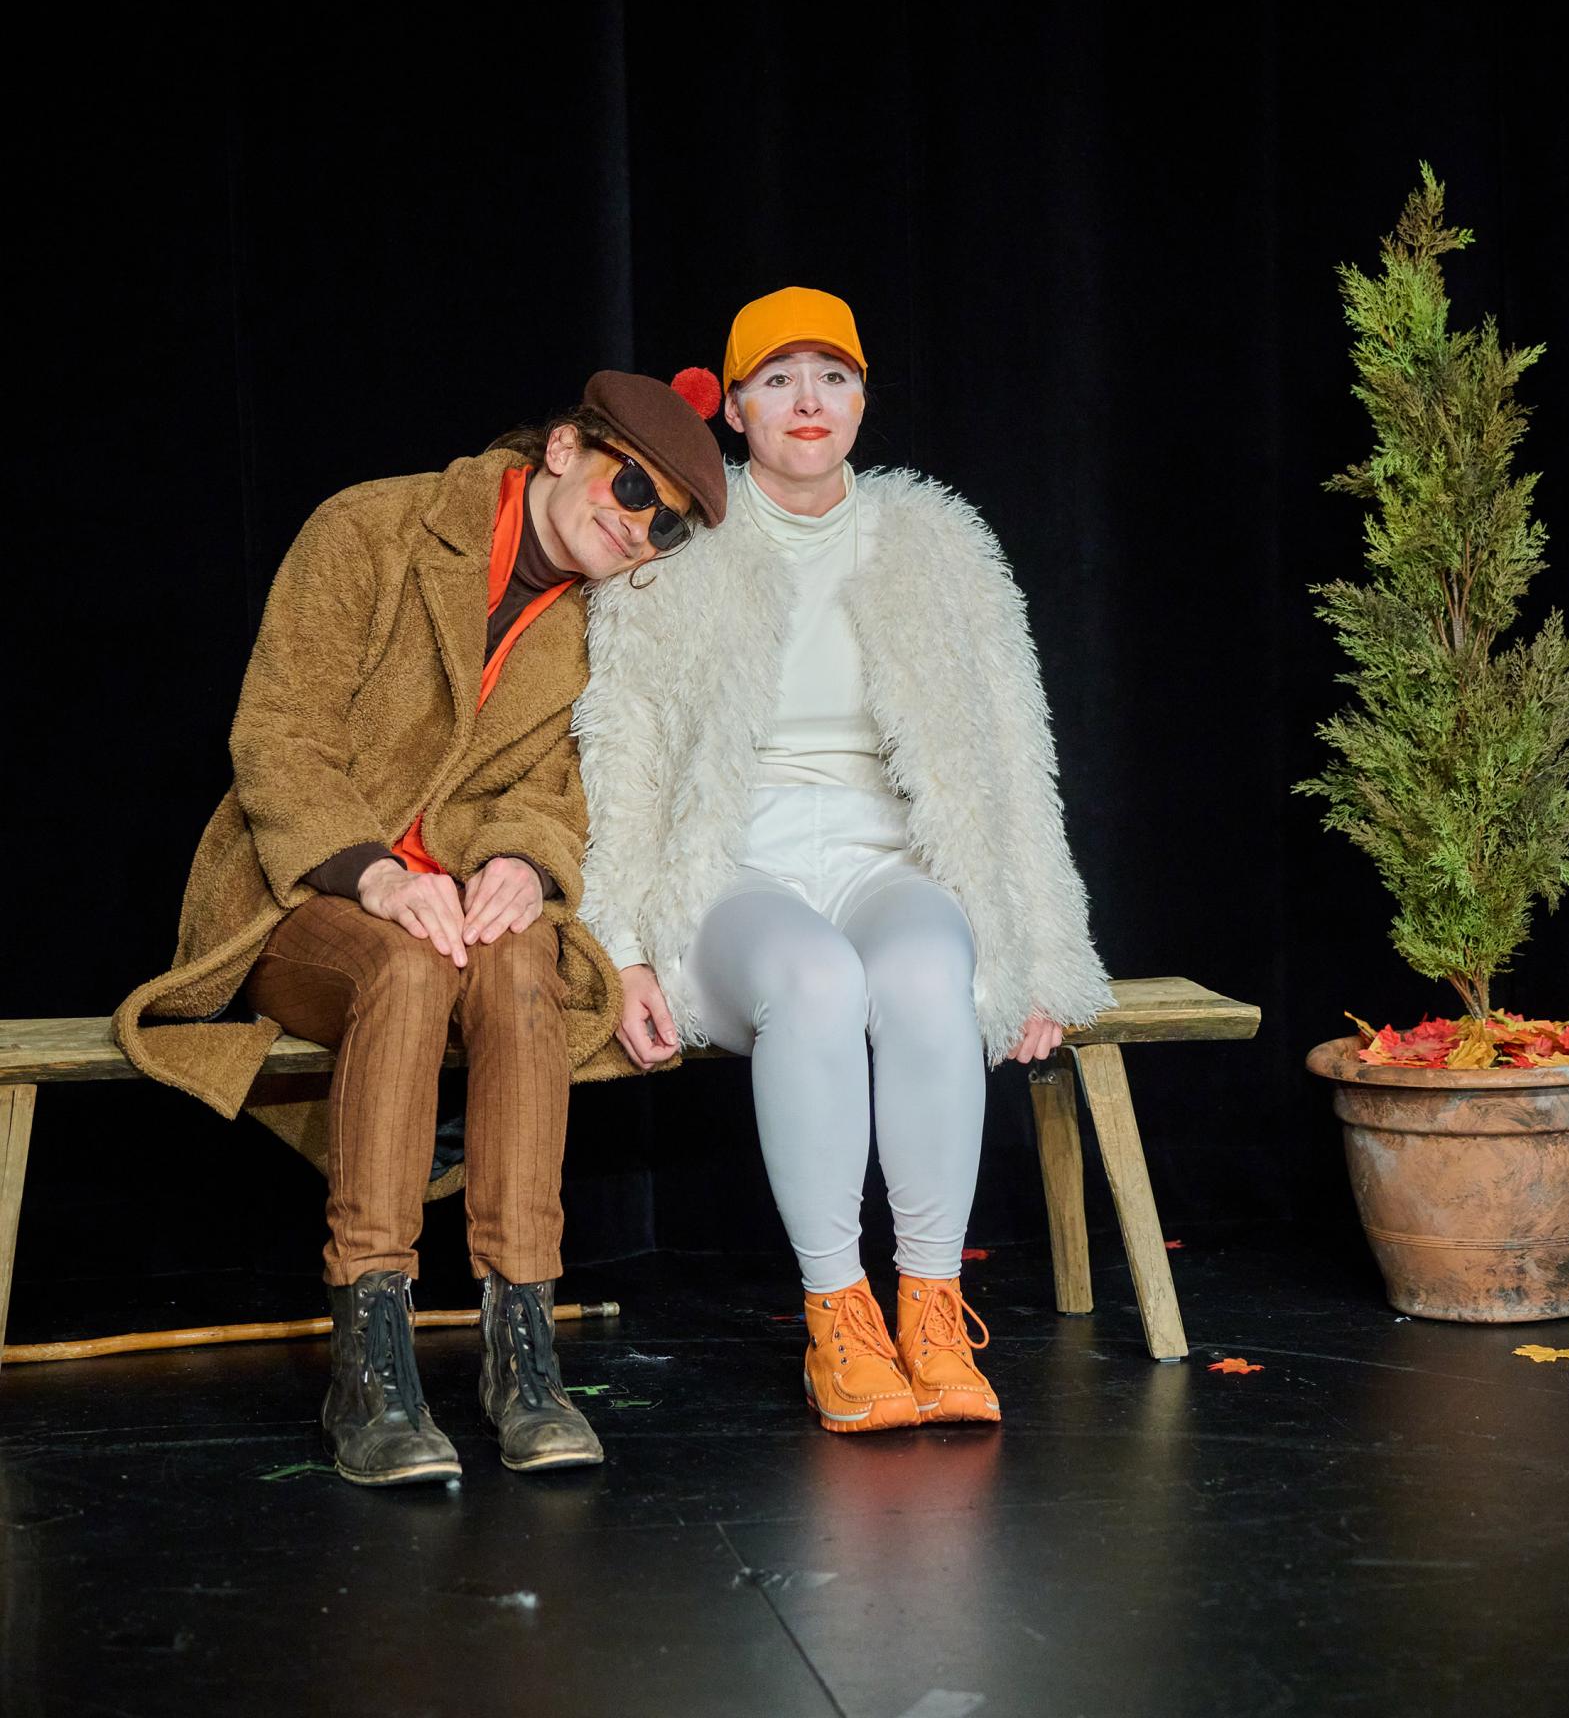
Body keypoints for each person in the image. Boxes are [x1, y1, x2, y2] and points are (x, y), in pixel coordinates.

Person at [115, 369, 727, 1485]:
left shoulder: (598, 627)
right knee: (404, 966)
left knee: (526, 966)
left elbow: (554, 784)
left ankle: (521, 1352)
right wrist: (376, 877)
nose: (638, 527)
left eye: (668, 526)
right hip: (299, 899)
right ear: (562, 450)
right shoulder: (374, 527)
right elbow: (278, 736)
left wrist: (516, 858)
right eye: (632, 485)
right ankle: (372, 1356)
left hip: (457, 910)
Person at [574, 289, 1109, 1434]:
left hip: (882, 857)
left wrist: (1043, 952)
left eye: (833, 376)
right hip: (729, 874)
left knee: (921, 968)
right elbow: (618, 758)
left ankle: (929, 1304)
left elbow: (1015, 752)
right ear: (735, 410)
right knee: (814, 979)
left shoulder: (938, 542)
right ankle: (838, 1319)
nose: (807, 402)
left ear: (863, 398)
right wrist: (618, 951)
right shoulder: (678, 543)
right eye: (777, 379)